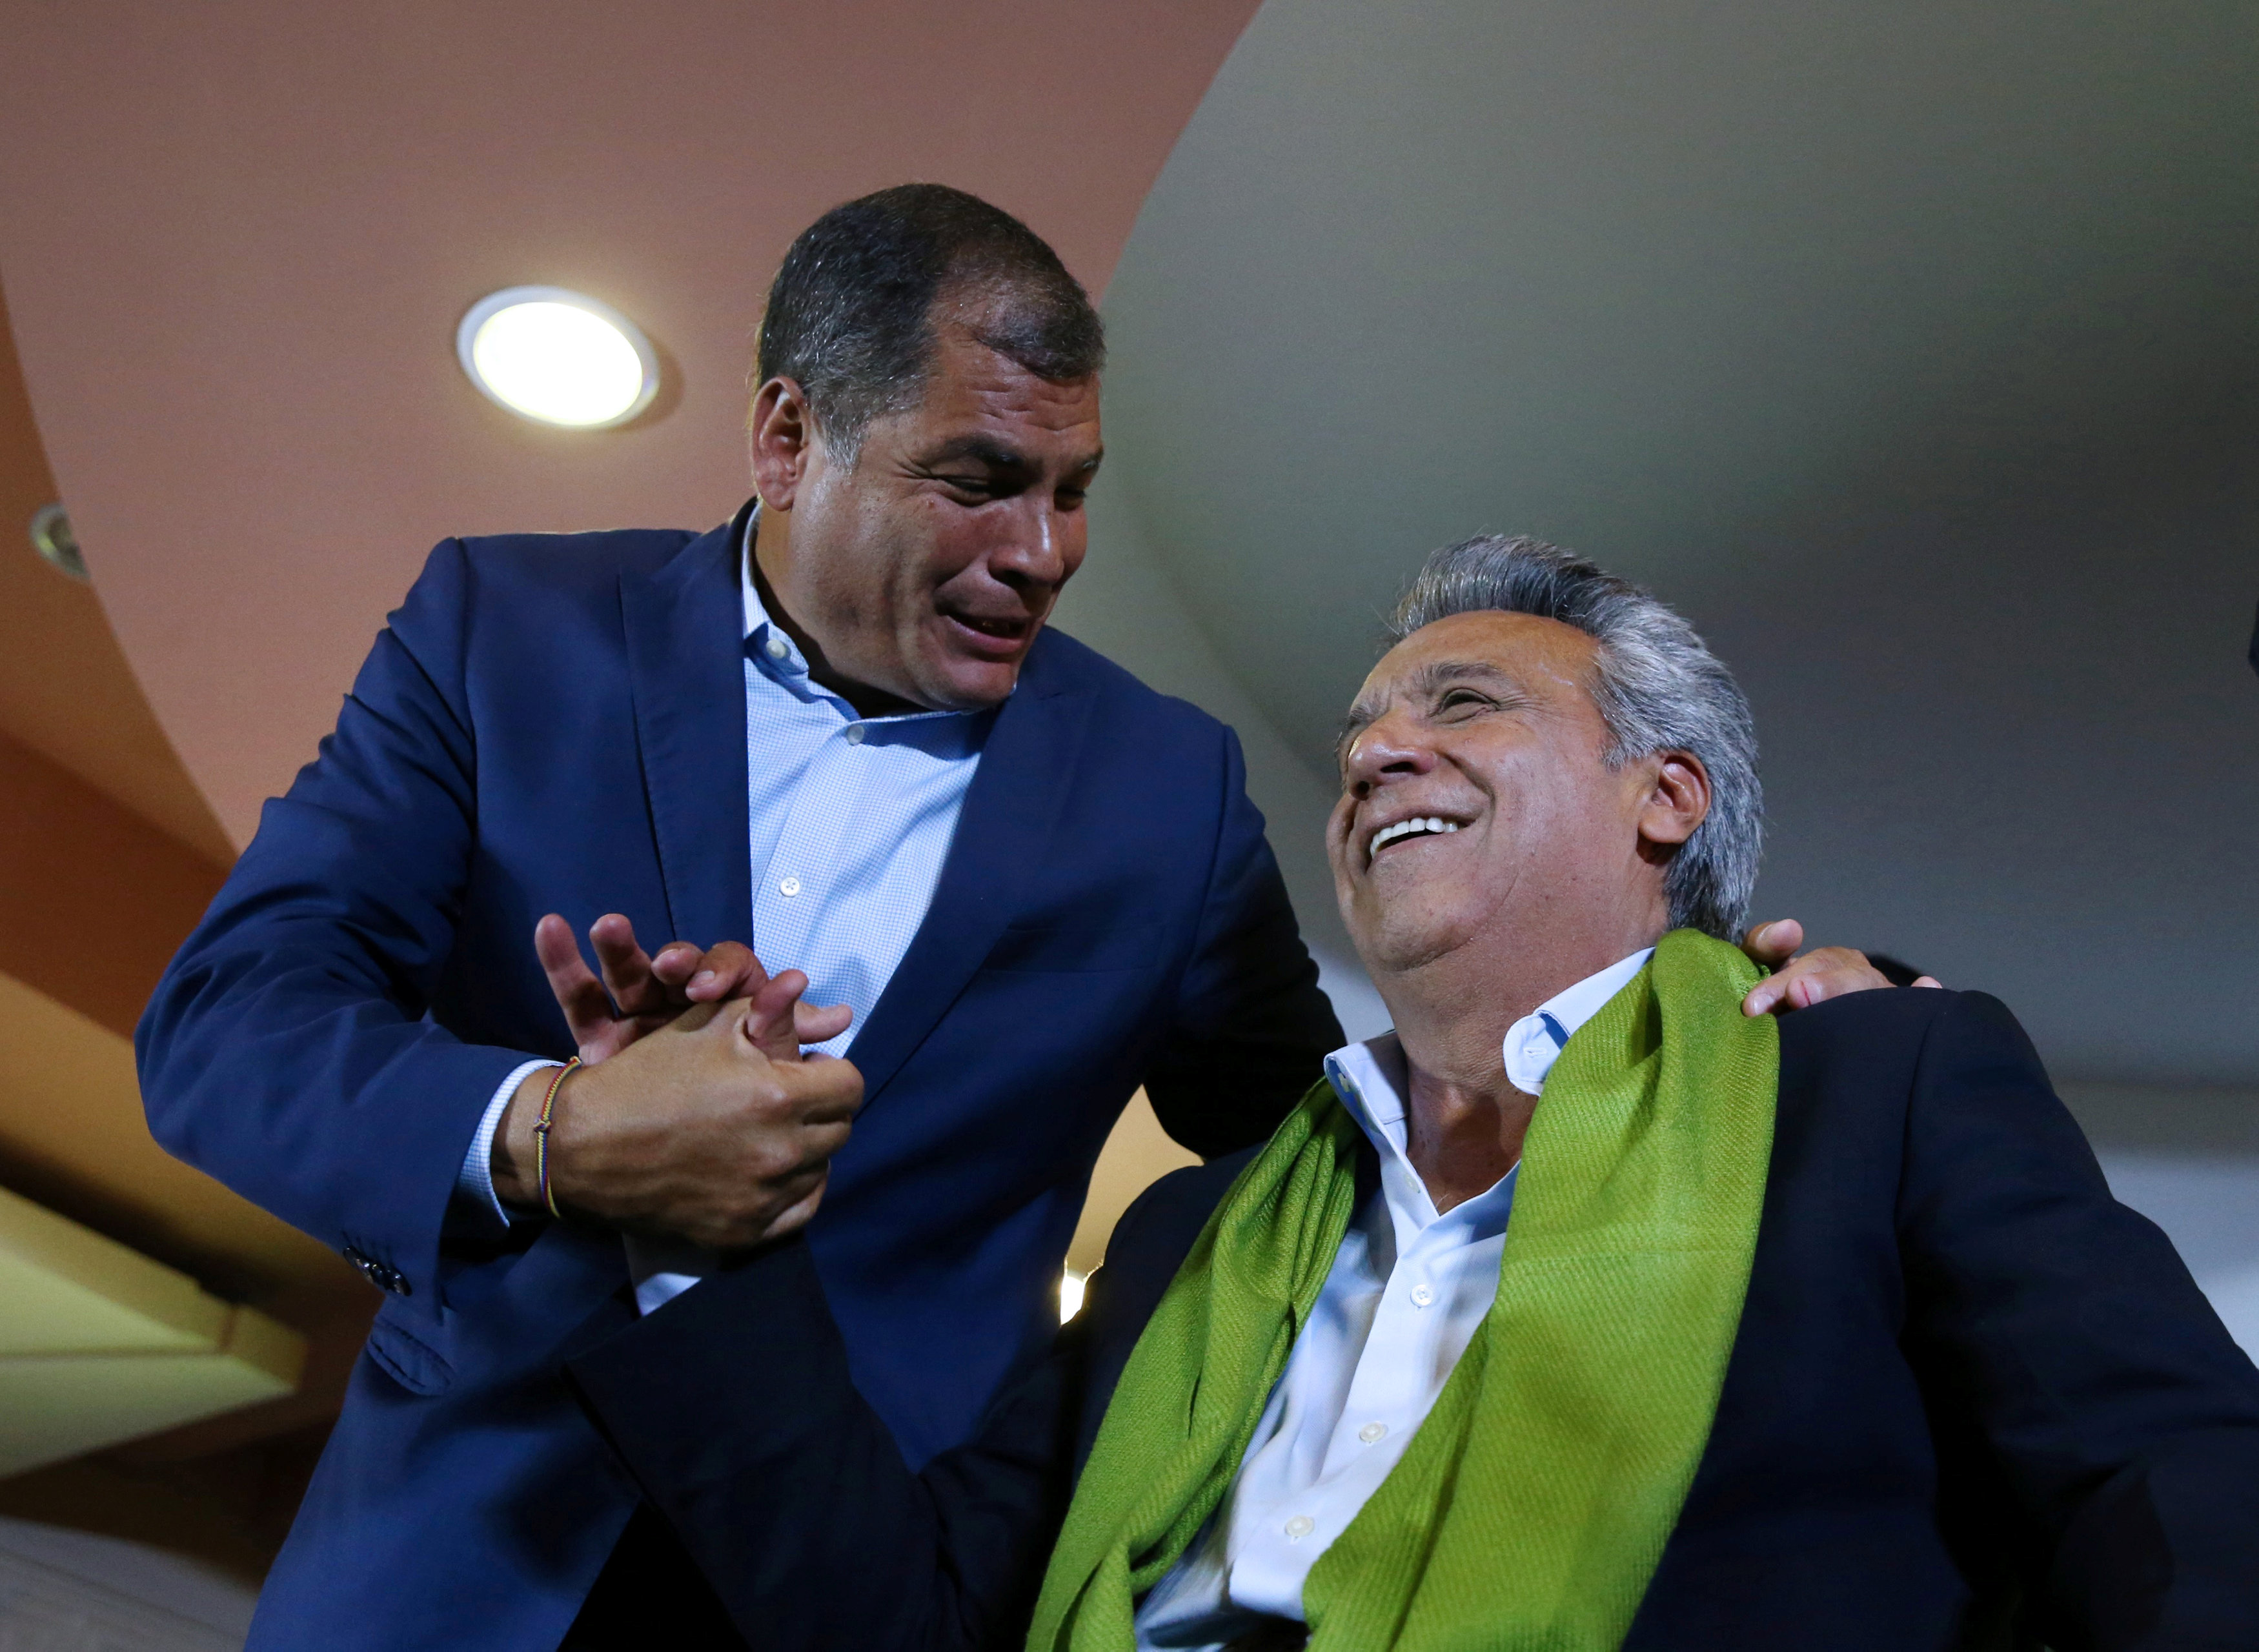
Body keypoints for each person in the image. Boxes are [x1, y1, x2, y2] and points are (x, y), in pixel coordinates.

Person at [136, 186, 1885, 1651]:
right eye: (980, 480)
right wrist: (555, 1133)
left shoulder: (1164, 789)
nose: (1046, 550)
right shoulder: (499, 629)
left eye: (1075, 492)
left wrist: (1696, 1051)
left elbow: (1333, 1140)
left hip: (857, 1578)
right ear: (785, 437)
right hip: (456, 1564)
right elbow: (229, 1026)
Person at [567, 534, 2259, 1651]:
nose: (1374, 751)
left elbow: (2166, 1484)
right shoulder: (1187, 1223)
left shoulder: (1871, 1076)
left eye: (1464, 705)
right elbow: (903, 1615)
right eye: (1364, 725)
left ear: (1661, 797)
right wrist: (694, 1231)